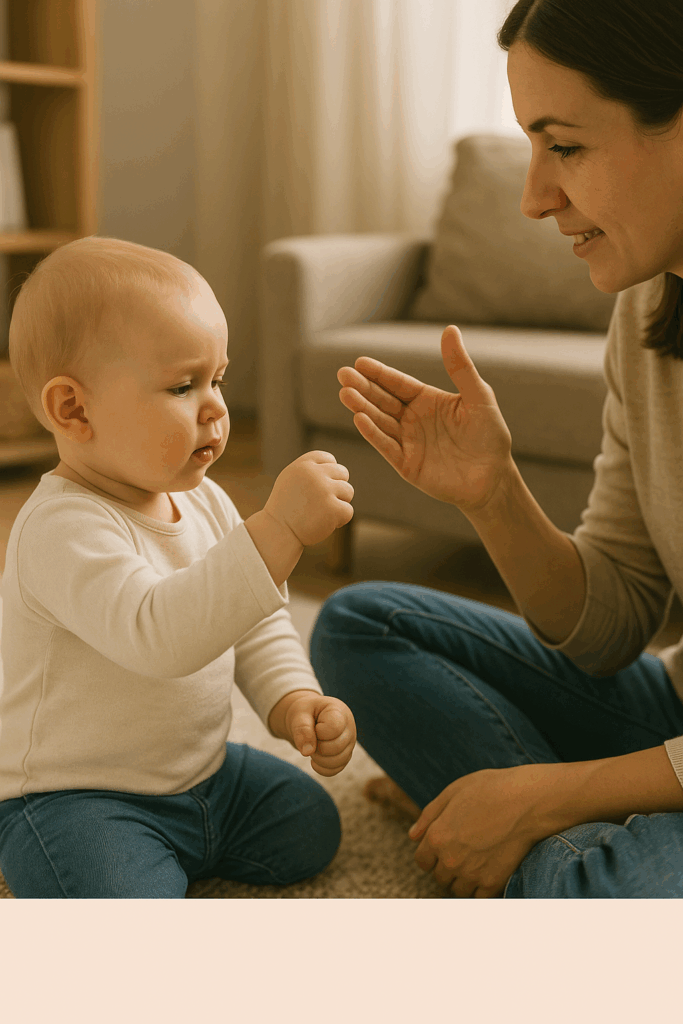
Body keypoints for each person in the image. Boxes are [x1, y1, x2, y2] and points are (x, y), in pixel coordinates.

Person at [309, 0, 683, 898]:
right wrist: (491, 494)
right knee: (363, 625)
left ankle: (538, 851)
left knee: (619, 902)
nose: (533, 197)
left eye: (564, 145)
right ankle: (554, 853)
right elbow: (611, 627)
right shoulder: (644, 313)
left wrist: (542, 796)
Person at [0, 235, 357, 898]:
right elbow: (161, 636)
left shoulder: (206, 503)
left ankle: (181, 839)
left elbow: (253, 620)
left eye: (216, 378)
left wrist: (294, 700)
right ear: (74, 409)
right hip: (73, 797)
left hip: (201, 777)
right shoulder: (60, 530)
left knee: (309, 828)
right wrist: (276, 530)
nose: (217, 406)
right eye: (182, 385)